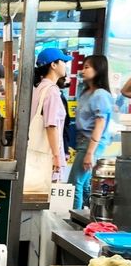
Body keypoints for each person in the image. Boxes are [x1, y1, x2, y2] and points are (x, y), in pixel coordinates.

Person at [67, 54, 114, 209]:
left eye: (87, 67)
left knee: (75, 183)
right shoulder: (86, 93)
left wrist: (90, 152)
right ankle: (87, 218)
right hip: (83, 141)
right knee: (85, 184)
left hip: (91, 142)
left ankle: (73, 220)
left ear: (98, 70)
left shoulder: (100, 94)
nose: (82, 70)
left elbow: (100, 124)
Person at [31, 47, 71, 181]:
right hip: (46, 155)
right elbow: (51, 125)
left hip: (35, 153)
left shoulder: (39, 88)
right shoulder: (52, 91)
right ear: (53, 65)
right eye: (63, 61)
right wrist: (56, 156)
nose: (65, 65)